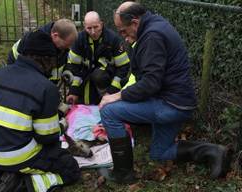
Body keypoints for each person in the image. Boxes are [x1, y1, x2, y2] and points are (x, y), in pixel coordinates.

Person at [99, 1, 232, 184]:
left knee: (108, 111)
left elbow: (151, 83)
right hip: (178, 101)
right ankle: (214, 151)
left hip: (170, 104)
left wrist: (117, 95)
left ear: (135, 22)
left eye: (123, 31)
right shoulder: (155, 25)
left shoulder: (152, 36)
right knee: (159, 153)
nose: (123, 36)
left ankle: (123, 173)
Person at [0, 30, 80, 192]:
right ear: (46, 59)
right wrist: (61, 125)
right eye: (53, 61)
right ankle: (23, 184)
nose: (53, 67)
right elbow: (47, 138)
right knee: (70, 168)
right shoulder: (46, 88)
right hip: (17, 156)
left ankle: (2, 173)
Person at [65, 11, 130, 105]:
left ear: (101, 24)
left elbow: (124, 67)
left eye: (96, 27)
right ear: (84, 26)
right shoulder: (79, 39)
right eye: (89, 28)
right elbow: (73, 66)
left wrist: (111, 92)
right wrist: (73, 91)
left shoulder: (113, 40)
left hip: (107, 81)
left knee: (98, 75)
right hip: (84, 80)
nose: (93, 32)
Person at [7, 18, 77, 84]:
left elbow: (62, 60)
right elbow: (35, 79)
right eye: (66, 45)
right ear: (55, 35)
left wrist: (67, 70)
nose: (68, 48)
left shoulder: (60, 43)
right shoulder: (36, 46)